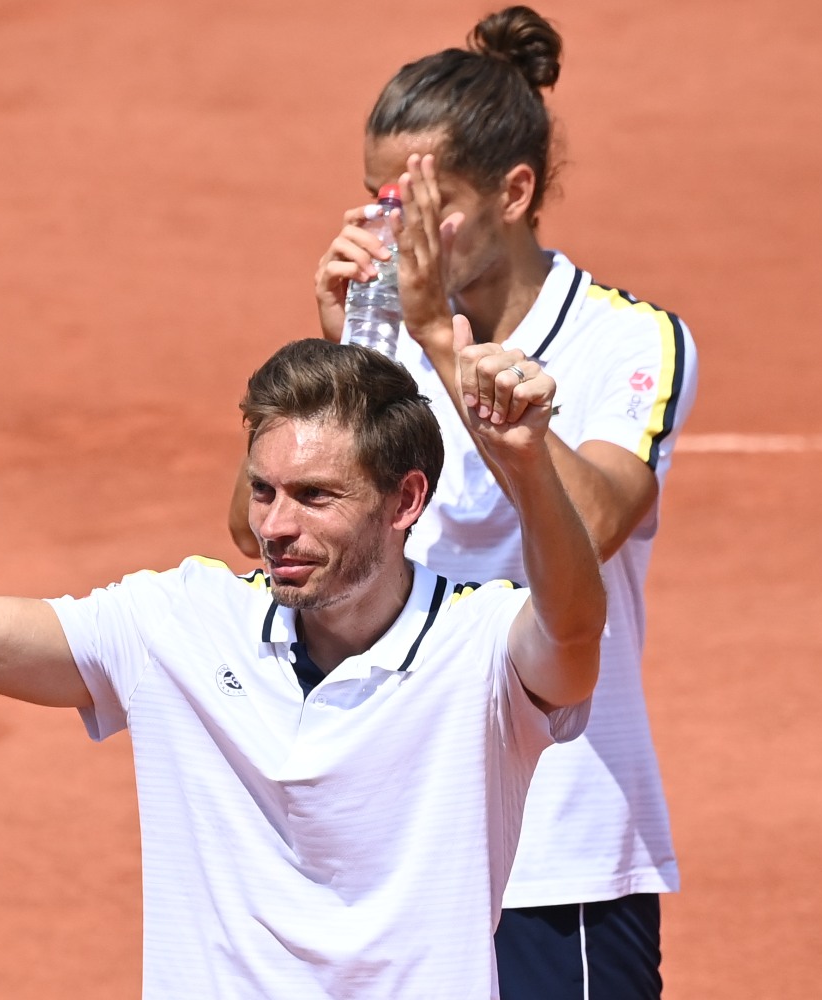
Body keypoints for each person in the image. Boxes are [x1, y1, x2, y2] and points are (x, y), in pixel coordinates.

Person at [0, 311, 614, 998]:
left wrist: (528, 467)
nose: (275, 526)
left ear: (406, 501)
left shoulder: (482, 649)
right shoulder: (177, 623)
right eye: (262, 490)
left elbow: (573, 632)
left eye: (316, 497)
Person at [226, 8, 698, 997]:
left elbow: (597, 518)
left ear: (514, 192)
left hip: (554, 847)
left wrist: (438, 339)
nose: (389, 230)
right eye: (375, 199)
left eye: (421, 201)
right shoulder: (377, 335)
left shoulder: (630, 341)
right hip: (387, 836)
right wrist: (341, 362)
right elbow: (266, 535)